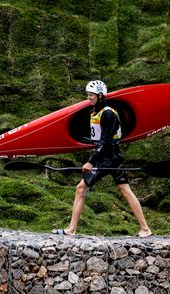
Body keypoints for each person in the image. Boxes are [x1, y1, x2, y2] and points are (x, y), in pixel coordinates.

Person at [53, 80, 152, 237]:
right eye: (87, 95)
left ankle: (71, 229)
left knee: (81, 188)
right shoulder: (95, 112)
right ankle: (145, 229)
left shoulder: (108, 114)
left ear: (100, 95)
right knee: (124, 190)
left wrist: (91, 162)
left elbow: (104, 142)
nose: (88, 98)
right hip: (109, 156)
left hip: (109, 157)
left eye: (91, 95)